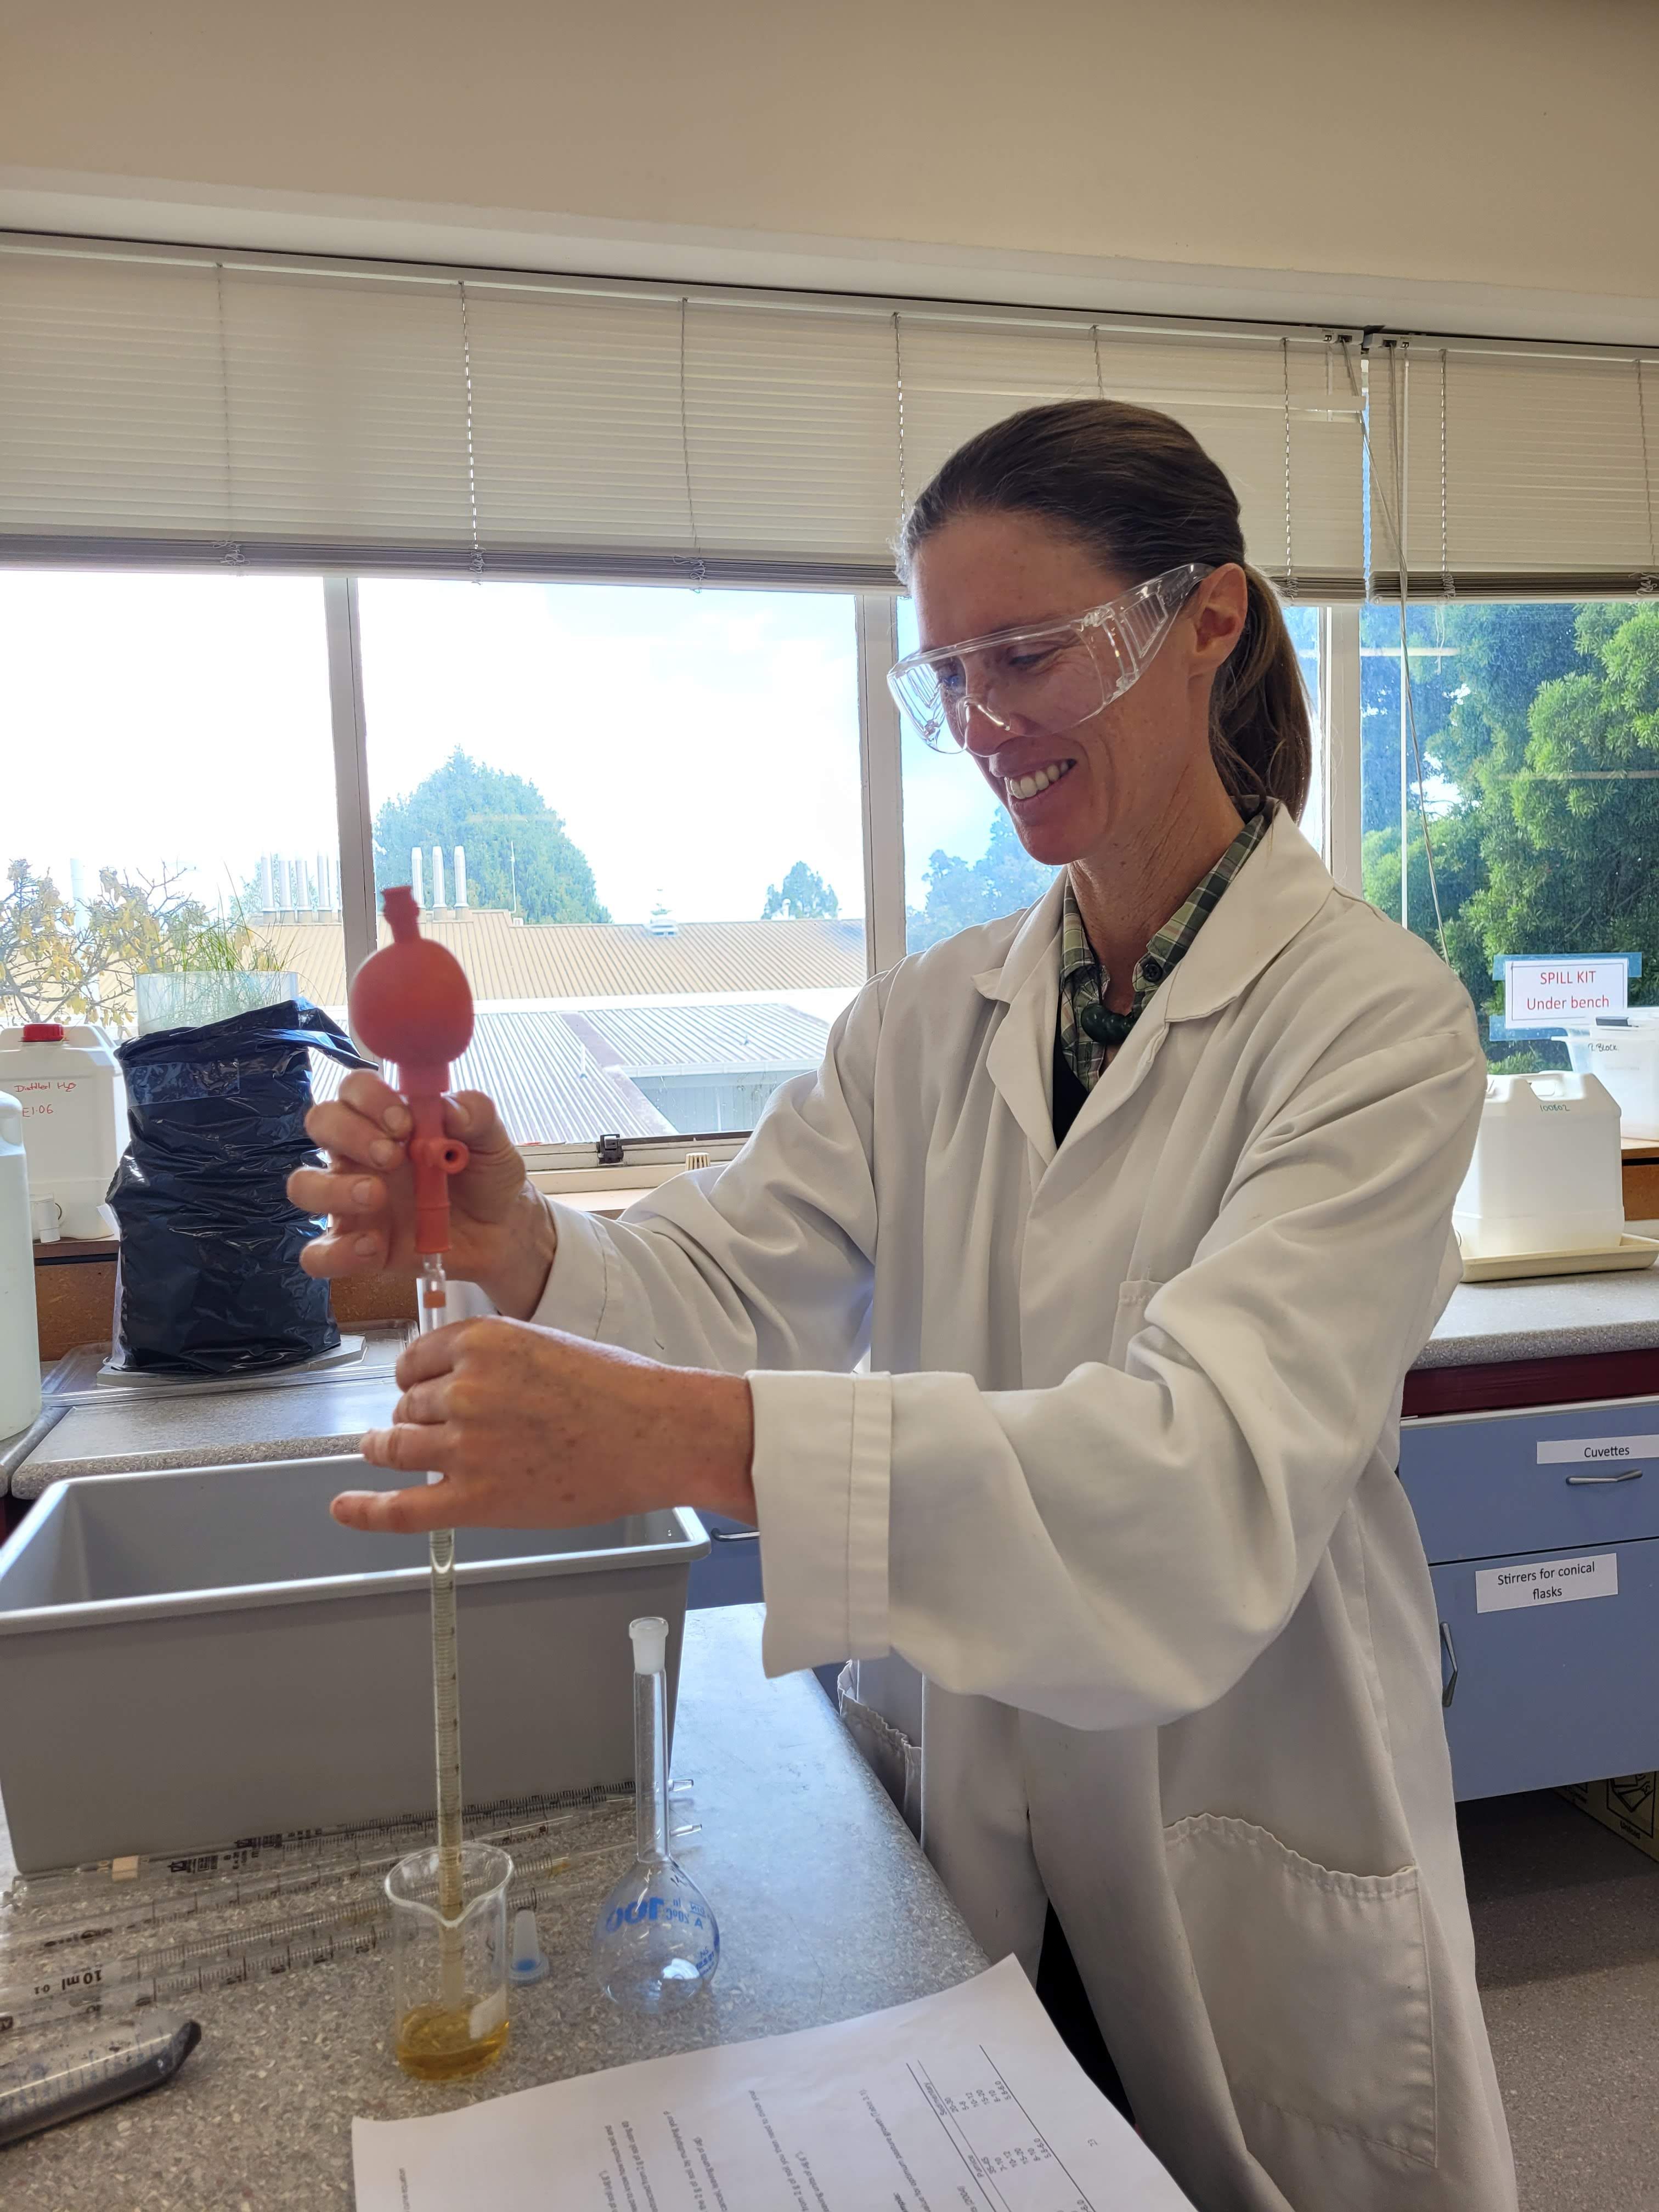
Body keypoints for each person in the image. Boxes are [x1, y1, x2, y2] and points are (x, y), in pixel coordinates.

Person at [292, 400, 1517, 2212]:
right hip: (975, 1829)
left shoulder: (1377, 1025)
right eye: (946, 676)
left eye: (1029, 655)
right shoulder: (924, 1021)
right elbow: (724, 1275)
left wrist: (683, 1436)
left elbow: (1191, 1482)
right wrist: (522, 1238)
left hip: (1248, 1822)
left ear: (1211, 619)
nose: (985, 725)